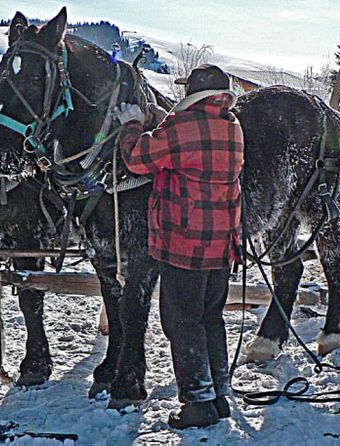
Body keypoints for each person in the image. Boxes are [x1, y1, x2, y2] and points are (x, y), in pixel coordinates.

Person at [115, 64, 244, 429]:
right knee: (209, 319)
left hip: (184, 243)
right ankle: (219, 395)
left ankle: (197, 404)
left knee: (182, 323)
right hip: (221, 245)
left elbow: (139, 158)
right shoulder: (232, 127)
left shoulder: (185, 126)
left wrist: (132, 124)